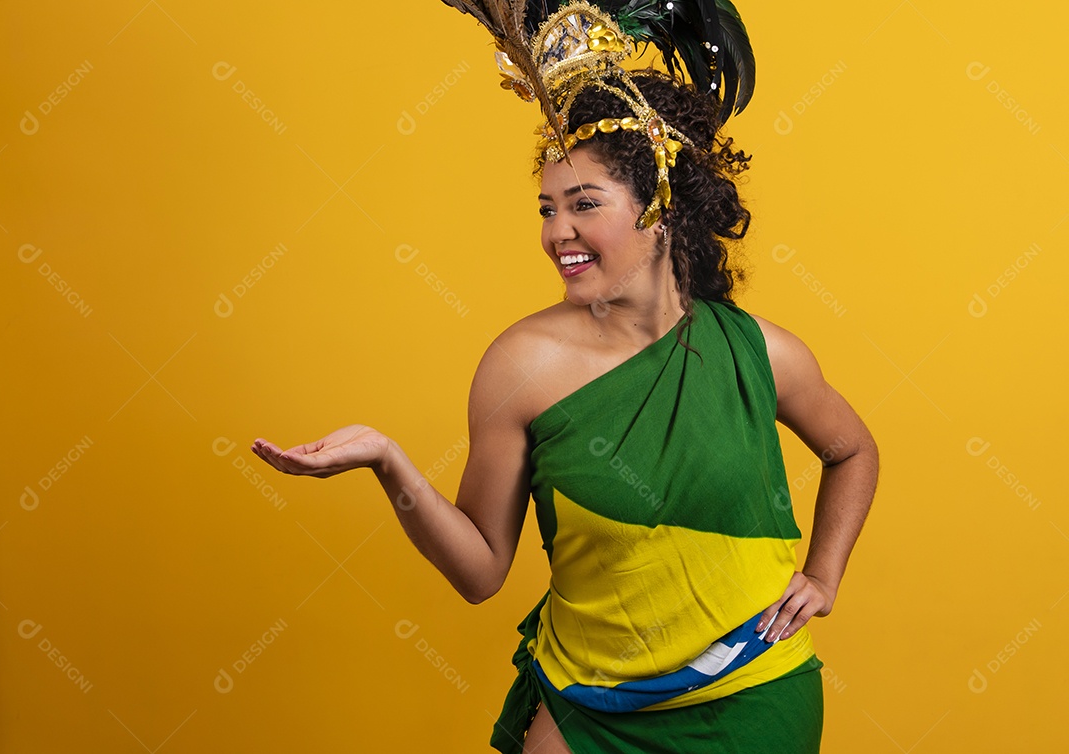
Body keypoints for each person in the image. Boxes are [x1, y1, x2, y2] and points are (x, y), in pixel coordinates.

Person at [252, 3, 878, 752]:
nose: (558, 233)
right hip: (593, 706)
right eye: (548, 209)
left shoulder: (762, 355)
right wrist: (390, 464)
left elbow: (852, 451)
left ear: (661, 205)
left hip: (754, 697)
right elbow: (482, 569)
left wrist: (824, 575)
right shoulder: (521, 366)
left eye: (585, 205)